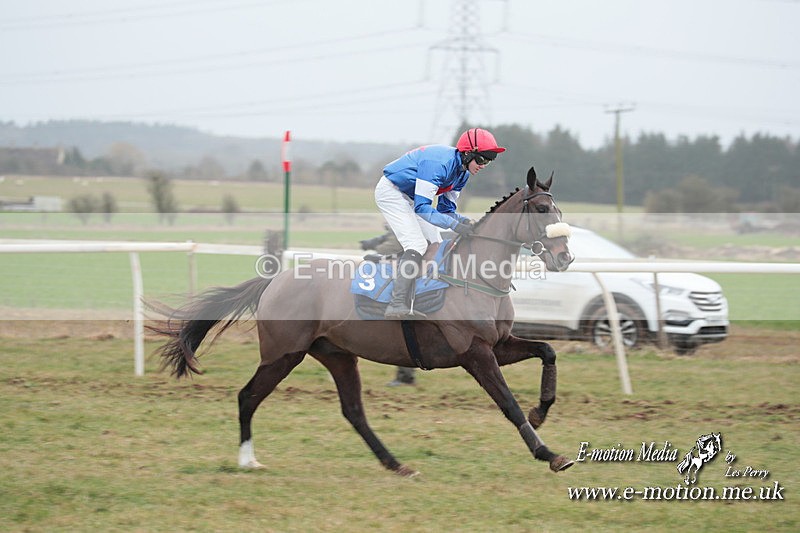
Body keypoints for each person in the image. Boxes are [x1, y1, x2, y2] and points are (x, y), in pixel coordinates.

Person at [375, 127, 506, 319]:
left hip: (413, 198)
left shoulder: (463, 174)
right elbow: (422, 208)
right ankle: (396, 304)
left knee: (437, 245)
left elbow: (446, 212)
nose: (484, 165)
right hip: (392, 193)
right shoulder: (439, 164)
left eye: (489, 161)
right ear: (467, 153)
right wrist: (455, 225)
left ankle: (421, 298)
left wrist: (467, 222)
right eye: (481, 159)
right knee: (417, 244)